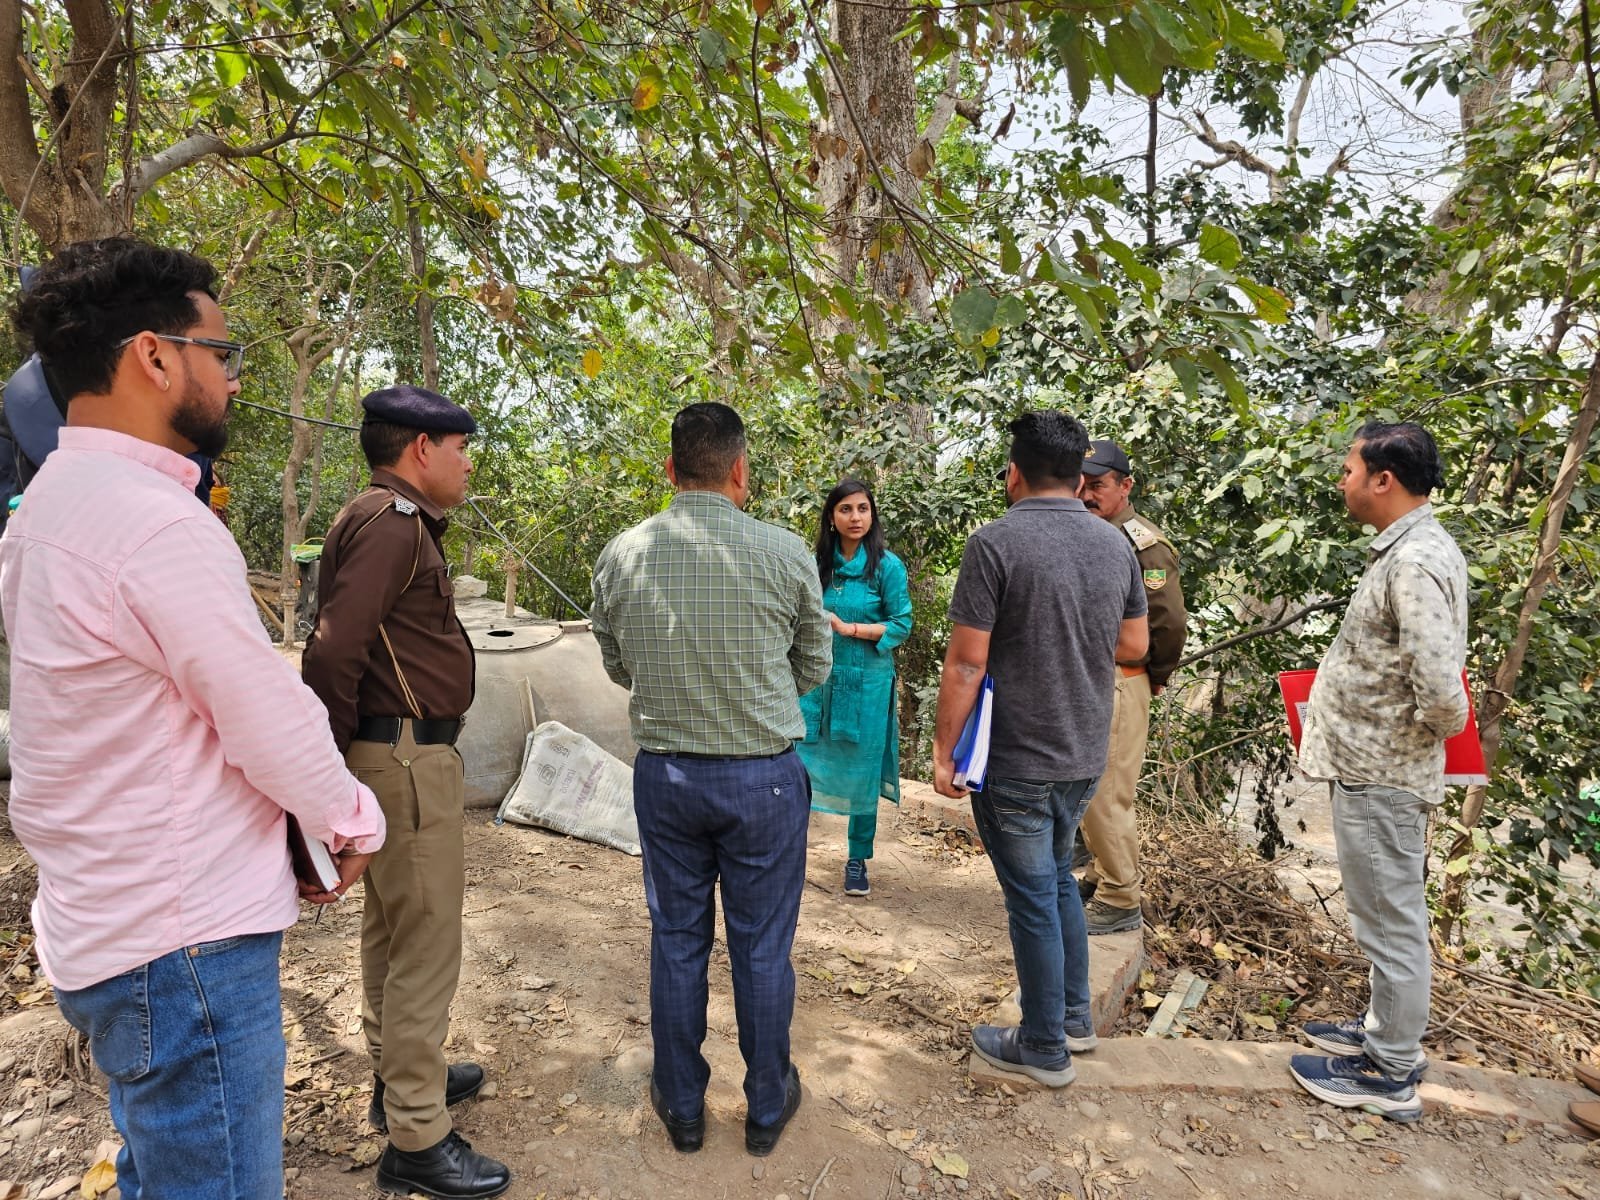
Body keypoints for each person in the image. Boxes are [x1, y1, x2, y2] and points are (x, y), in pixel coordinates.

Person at [0, 237, 385, 1200]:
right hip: (184, 949)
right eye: (222, 351)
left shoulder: (46, 507)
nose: (235, 377)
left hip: (107, 924)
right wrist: (349, 819)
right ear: (155, 356)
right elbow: (260, 709)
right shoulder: (157, 523)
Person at [590, 403, 831, 1156]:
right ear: (740, 472)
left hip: (667, 779)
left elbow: (616, 661)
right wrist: (755, 698)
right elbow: (814, 663)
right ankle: (766, 1106)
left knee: (677, 939)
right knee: (762, 948)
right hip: (764, 780)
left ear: (670, 469)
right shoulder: (785, 551)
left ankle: (682, 1104)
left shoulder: (623, 552)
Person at [301, 386, 509, 1199]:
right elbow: (332, 652)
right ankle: (417, 1135)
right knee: (426, 940)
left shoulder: (380, 517)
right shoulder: (393, 525)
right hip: (405, 759)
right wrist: (328, 771)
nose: (468, 464)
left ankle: (399, 1079)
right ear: (422, 448)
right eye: (461, 449)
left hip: (395, 755)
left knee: (393, 927)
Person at [932, 410, 1148, 1088]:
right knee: (1055, 881)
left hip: (1017, 756)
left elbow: (966, 663)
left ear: (1013, 474)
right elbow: (1135, 644)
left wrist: (943, 751)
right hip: (1083, 750)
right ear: (1078, 477)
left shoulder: (995, 543)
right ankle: (1074, 1019)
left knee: (1032, 897)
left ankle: (1044, 1045)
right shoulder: (1115, 544)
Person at [1290, 421, 1468, 1123]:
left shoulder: (1415, 560)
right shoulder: (1407, 550)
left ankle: (1389, 1070)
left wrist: (1407, 737)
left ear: (1383, 479)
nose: (1342, 482)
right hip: (1373, 767)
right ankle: (1381, 1032)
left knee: (1392, 924)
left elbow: (1442, 692)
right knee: (1384, 917)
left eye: (1348, 470)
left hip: (1383, 772)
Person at [1075, 440, 1186, 935]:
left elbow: (1169, 622)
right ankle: (1102, 874)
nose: (1087, 494)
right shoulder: (1092, 533)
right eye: (1081, 484)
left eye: (1098, 485)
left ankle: (1121, 897)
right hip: (1095, 677)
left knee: (1107, 792)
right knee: (1091, 785)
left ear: (1126, 486)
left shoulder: (1143, 544)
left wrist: (1156, 675)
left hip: (1124, 678)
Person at [797, 478, 913, 897]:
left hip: (868, 684)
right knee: (799, 764)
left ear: (872, 515)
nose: (855, 517)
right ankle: (788, 850)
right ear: (832, 517)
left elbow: (902, 623)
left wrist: (850, 628)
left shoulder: (887, 567)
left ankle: (857, 858)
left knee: (863, 770)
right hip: (818, 682)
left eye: (863, 509)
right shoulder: (815, 565)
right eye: (845, 509)